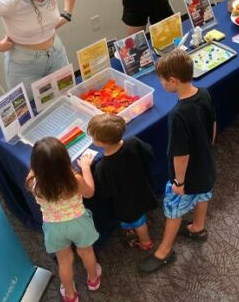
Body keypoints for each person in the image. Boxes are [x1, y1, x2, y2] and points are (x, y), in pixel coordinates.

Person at [139, 49, 216, 273]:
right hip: (207, 166)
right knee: (204, 195)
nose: (162, 83)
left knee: (173, 211)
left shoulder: (178, 115)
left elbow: (181, 155)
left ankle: (164, 251)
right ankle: (198, 227)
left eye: (162, 80)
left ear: (173, 81)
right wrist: (209, 150)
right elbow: (213, 124)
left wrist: (179, 183)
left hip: (186, 177)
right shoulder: (204, 93)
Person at [25, 137, 101, 302]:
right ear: (65, 160)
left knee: (64, 261)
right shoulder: (74, 180)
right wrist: (86, 168)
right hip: (78, 223)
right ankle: (93, 280)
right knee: (86, 253)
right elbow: (89, 192)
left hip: (54, 228)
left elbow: (33, 172)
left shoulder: (33, 183)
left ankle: (70, 294)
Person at [87, 113, 158, 251]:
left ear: (100, 142)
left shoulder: (102, 166)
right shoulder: (133, 142)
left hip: (125, 202)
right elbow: (149, 154)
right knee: (136, 218)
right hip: (142, 189)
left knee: (138, 222)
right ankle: (134, 232)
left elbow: (105, 192)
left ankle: (146, 242)